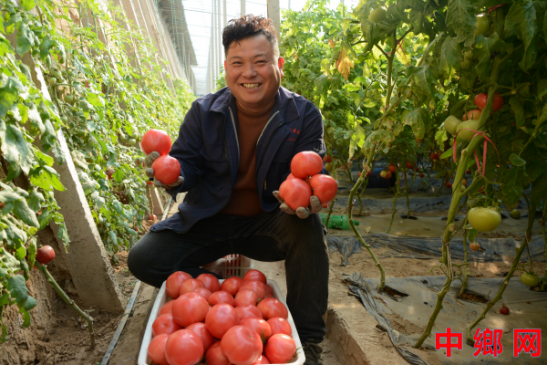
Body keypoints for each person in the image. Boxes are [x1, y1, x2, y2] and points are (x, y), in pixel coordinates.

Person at [128, 15, 328, 365]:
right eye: (238, 63)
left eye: (260, 62)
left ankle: (307, 338)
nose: (248, 73)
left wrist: (309, 196)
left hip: (266, 222)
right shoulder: (204, 112)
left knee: (307, 230)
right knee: (143, 259)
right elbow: (186, 164)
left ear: (278, 64)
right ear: (226, 68)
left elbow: (310, 172)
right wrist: (173, 176)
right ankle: (217, 289)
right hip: (209, 218)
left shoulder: (303, 115)